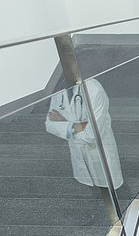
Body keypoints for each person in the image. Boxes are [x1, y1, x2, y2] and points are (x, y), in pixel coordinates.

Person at [46, 79, 123, 222]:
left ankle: (116, 218)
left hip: (100, 150)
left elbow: (92, 135)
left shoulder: (93, 89)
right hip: (78, 151)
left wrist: (66, 125)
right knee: (91, 188)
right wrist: (79, 126)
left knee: (109, 189)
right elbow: (49, 124)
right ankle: (100, 218)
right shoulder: (58, 91)